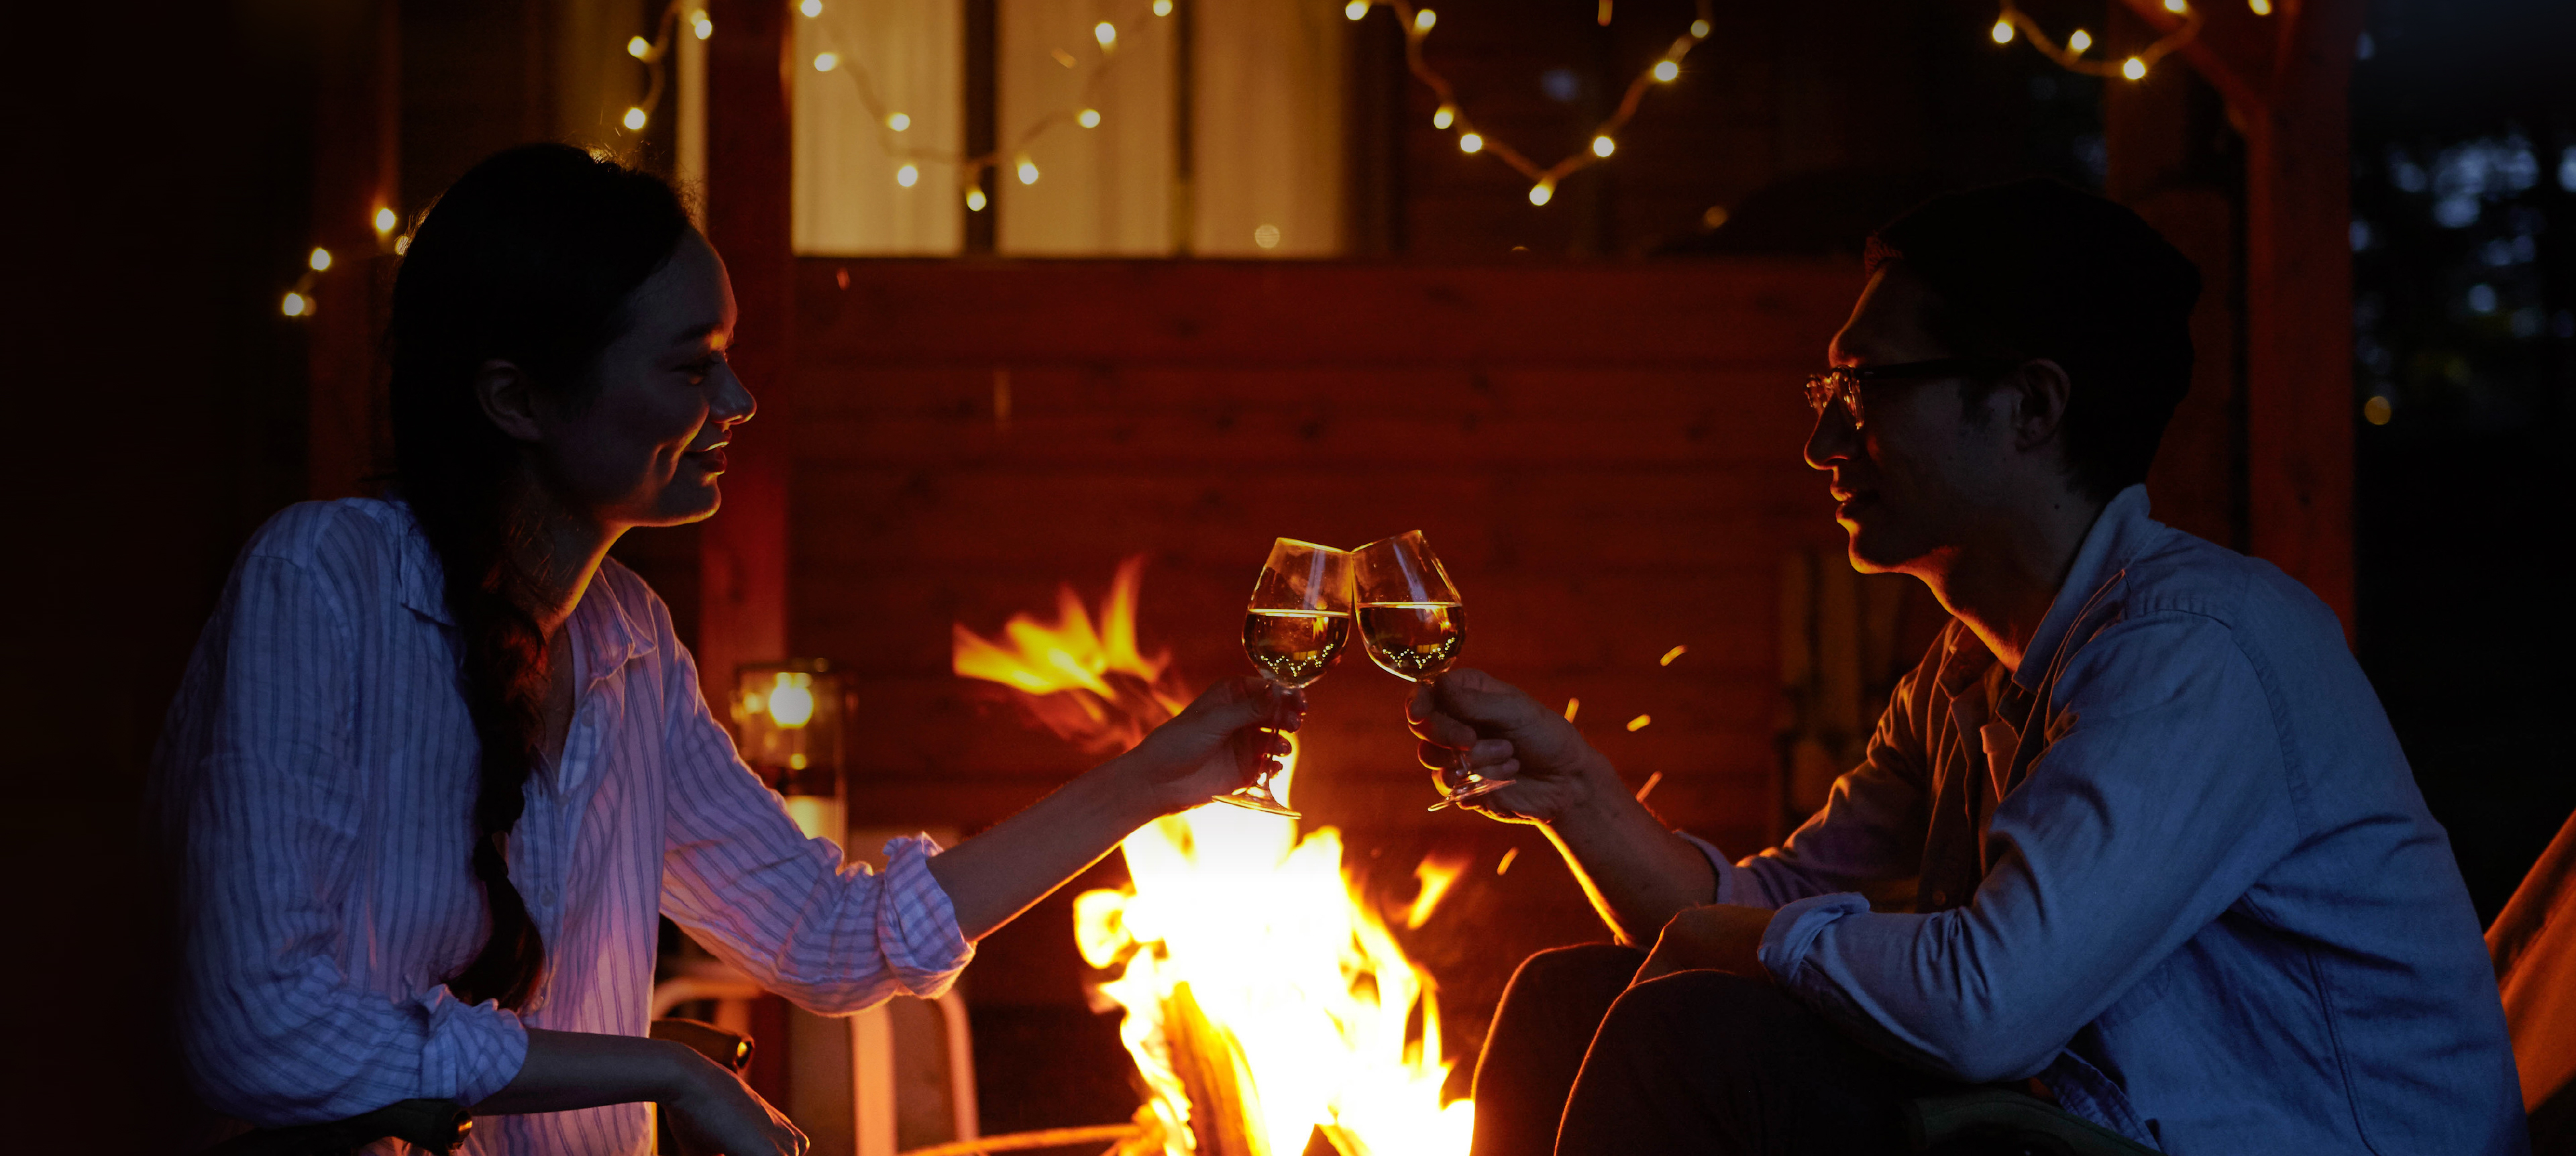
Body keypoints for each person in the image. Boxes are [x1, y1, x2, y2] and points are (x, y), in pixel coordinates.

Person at [147, 143, 1302, 1156]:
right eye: (693, 367)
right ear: (517, 398)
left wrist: (1158, 778)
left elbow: (833, 938)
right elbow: (260, 1030)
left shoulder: (630, 645)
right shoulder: (323, 584)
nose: (741, 398)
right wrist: (656, 1066)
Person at [1411, 179, 2524, 1155]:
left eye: (1864, 391)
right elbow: (1750, 912)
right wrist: (1574, 795)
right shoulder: (1968, 674)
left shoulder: (2200, 651)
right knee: (1572, 997)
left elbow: (1986, 1003)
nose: (1824, 444)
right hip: (2072, 1129)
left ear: (2030, 406)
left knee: (1699, 1040)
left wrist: (1731, 943)